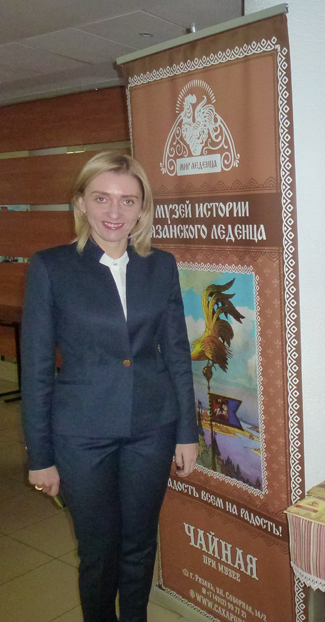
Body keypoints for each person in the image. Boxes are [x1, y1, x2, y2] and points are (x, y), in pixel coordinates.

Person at [21, 152, 199, 622]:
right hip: (81, 434)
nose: (114, 212)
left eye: (128, 200)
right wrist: (40, 456)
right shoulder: (51, 267)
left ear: (142, 208)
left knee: (139, 544)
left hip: (152, 428)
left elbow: (176, 353)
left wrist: (187, 432)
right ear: (81, 202)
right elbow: (36, 369)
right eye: (101, 198)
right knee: (98, 551)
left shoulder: (161, 265)